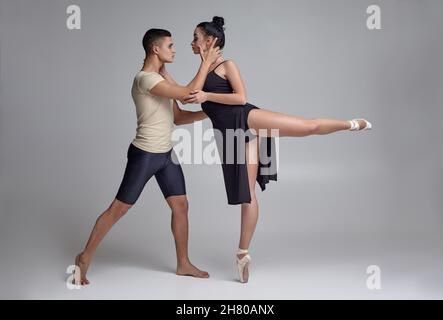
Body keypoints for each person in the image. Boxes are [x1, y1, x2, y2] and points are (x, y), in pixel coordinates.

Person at [183, 16, 372, 283]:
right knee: (247, 196)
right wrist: (191, 80)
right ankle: (242, 254)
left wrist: (207, 96)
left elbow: (240, 98)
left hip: (247, 119)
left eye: (195, 37)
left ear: (210, 40)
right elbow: (191, 101)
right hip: (231, 135)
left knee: (307, 127)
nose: (191, 42)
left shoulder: (227, 65)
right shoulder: (203, 71)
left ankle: (351, 124)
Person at [73, 28, 221, 285]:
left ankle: (183, 263)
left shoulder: (160, 78)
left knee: (181, 206)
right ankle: (84, 257)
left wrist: (211, 113)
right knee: (119, 209)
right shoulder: (145, 79)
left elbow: (178, 116)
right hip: (145, 155)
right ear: (156, 49)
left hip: (166, 155)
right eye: (170, 45)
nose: (175, 49)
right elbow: (188, 93)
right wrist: (207, 61)